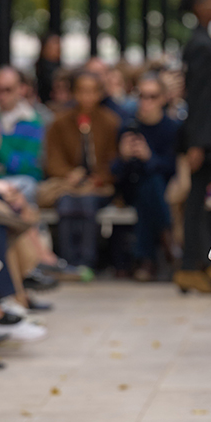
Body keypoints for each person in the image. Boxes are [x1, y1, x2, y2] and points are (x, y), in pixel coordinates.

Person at [39, 70, 119, 275]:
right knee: (67, 203)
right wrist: (69, 174)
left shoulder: (110, 122)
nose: (87, 97)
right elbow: (52, 159)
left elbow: (114, 161)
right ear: (74, 93)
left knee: (87, 203)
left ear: (100, 94)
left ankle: (87, 261)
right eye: (82, 91)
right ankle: (69, 261)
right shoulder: (60, 122)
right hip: (68, 185)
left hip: (99, 187)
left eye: (92, 91)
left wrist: (99, 178)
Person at [174, 0, 211, 294]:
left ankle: (202, 264)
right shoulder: (200, 45)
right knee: (197, 202)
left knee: (204, 201)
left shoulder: (203, 42)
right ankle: (191, 266)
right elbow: (199, 98)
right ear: (198, 7)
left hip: (208, 134)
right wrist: (196, 143)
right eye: (210, 1)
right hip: (204, 137)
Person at [111, 73, 179, 280]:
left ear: (163, 98)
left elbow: (172, 168)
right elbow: (115, 171)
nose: (146, 102)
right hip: (130, 189)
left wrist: (149, 158)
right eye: (141, 96)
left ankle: (146, 260)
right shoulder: (128, 127)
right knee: (148, 186)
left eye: (152, 96)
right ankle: (167, 239)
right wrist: (123, 157)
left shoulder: (172, 128)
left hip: (162, 189)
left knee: (150, 186)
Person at [0, 66, 46, 204]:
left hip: (18, 182)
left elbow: (30, 168)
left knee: (28, 187)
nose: (2, 96)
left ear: (21, 89)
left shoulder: (33, 122)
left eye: (8, 90)